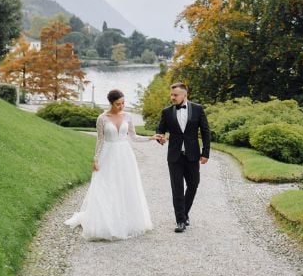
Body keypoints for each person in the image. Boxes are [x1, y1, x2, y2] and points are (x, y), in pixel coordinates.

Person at [65, 89, 157, 240]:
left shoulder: (127, 116)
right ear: (111, 103)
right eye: (118, 104)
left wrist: (150, 138)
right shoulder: (102, 118)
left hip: (125, 155)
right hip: (108, 155)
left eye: (123, 103)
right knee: (106, 185)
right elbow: (100, 140)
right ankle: (106, 222)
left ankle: (126, 221)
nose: (121, 106)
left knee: (126, 186)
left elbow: (133, 137)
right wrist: (95, 159)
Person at [155, 82, 210, 233]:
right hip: (175, 156)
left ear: (185, 94)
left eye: (175, 95)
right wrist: (160, 138)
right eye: (171, 94)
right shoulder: (166, 112)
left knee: (193, 185)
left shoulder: (198, 109)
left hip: (192, 155)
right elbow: (160, 130)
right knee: (177, 189)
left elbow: (205, 132)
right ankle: (180, 220)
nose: (172, 97)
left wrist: (205, 153)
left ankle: (184, 213)